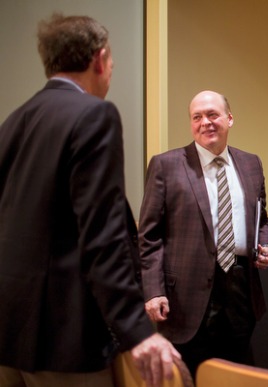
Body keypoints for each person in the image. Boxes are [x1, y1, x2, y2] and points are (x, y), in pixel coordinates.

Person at [0, 13, 179, 387]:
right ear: (99, 59)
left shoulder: (13, 121)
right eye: (111, 62)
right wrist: (138, 332)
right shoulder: (94, 115)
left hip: (7, 331)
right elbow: (102, 236)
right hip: (61, 341)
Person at [138, 90, 268, 376]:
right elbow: (149, 236)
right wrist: (153, 290)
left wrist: (265, 243)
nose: (206, 122)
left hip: (241, 289)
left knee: (233, 374)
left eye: (213, 115)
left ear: (229, 118)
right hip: (185, 297)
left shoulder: (251, 164)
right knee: (189, 373)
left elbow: (261, 220)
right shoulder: (166, 165)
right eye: (197, 117)